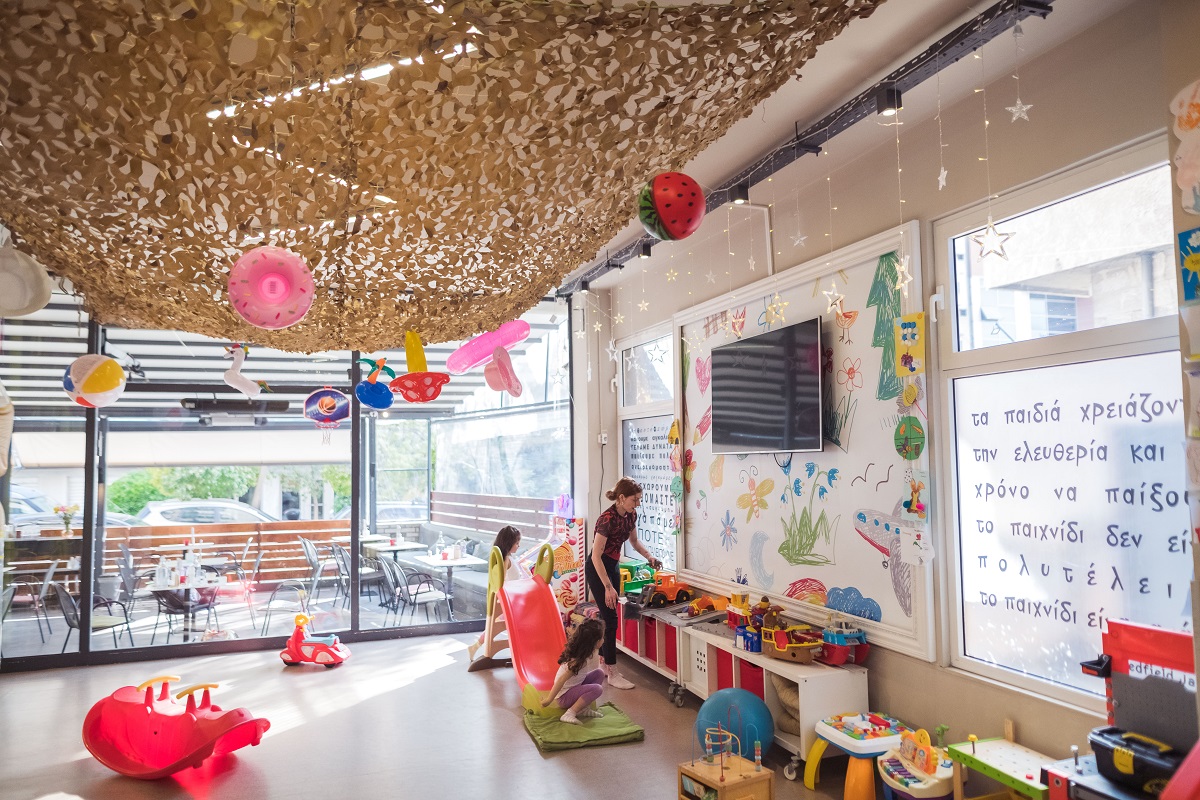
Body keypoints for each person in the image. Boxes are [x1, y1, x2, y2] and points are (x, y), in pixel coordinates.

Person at [584, 476, 662, 690]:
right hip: (598, 568)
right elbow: (596, 556)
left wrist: (649, 557)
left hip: (613, 565)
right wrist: (608, 587)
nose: (638, 503)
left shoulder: (630, 515)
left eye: (639, 499)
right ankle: (613, 672)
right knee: (611, 619)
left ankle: (602, 665)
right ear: (621, 498)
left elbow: (634, 542)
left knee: (607, 616)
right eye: (634, 499)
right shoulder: (606, 519)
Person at [468, 525, 523, 660]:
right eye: (517, 543)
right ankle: (476, 646)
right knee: (499, 627)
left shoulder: (504, 558)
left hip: (512, 598)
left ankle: (475, 646)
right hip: (510, 601)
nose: (519, 546)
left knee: (494, 628)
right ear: (509, 543)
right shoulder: (505, 560)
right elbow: (502, 582)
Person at [541, 617, 606, 724]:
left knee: (599, 673)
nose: (603, 640)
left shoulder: (583, 654)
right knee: (597, 689)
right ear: (595, 642)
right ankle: (569, 713)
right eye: (602, 638)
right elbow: (561, 680)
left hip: (573, 688)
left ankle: (583, 708)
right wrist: (549, 699)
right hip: (564, 698)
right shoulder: (578, 661)